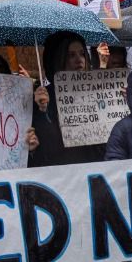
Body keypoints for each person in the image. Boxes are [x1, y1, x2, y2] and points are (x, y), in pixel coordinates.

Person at [30, 32, 107, 167]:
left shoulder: (97, 92)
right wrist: (43, 111)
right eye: (71, 55)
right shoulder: (43, 98)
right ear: (58, 59)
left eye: (82, 54)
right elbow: (43, 147)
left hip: (94, 173)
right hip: (60, 177)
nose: (79, 60)